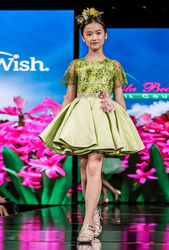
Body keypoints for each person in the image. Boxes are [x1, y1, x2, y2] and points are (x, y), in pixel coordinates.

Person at [38, 7, 145, 244]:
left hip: (103, 114)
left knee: (95, 163)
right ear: (83, 37)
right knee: (85, 171)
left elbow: (119, 95)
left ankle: (87, 224)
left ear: (106, 35)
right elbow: (69, 96)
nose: (94, 37)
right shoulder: (76, 65)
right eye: (89, 33)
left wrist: (123, 123)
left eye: (98, 32)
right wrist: (58, 121)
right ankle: (93, 212)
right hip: (80, 116)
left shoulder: (113, 65)